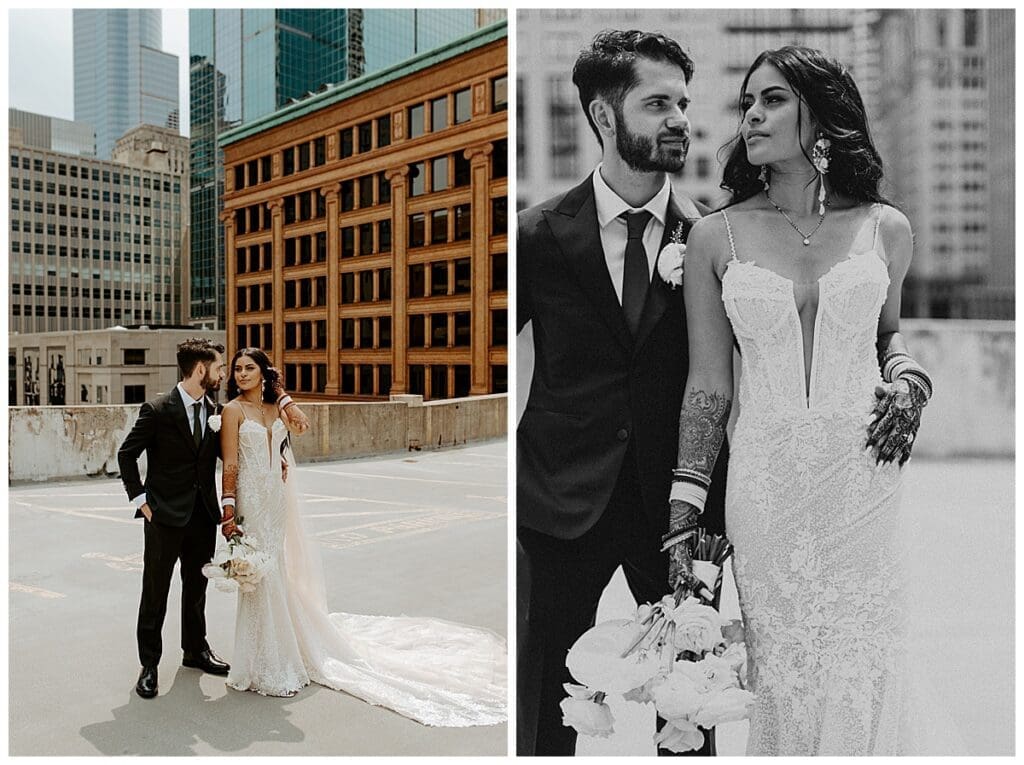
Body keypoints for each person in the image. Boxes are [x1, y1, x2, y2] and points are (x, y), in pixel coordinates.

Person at [665, 46, 940, 754]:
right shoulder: (714, 236)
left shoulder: (887, 227)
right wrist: (683, 514)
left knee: (863, 657)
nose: (752, 114)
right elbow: (708, 386)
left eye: (774, 99)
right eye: (748, 102)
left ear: (821, 115)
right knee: (779, 668)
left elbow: (888, 335)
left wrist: (911, 380)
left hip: (863, 479)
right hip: (764, 484)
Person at [516, 30, 727, 756]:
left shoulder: (711, 239)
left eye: (684, 103)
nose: (680, 119)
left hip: (676, 510)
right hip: (551, 504)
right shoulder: (536, 235)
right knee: (543, 709)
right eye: (658, 103)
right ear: (605, 117)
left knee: (689, 707)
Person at [216, 347, 507, 725]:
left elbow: (301, 428)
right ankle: (263, 661)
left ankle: (279, 654)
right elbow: (232, 462)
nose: (240, 374)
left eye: (249, 368)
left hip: (275, 500)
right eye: (237, 369)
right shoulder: (232, 411)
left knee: (275, 571)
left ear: (263, 372)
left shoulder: (274, 410)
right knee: (261, 576)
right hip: (251, 502)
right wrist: (227, 509)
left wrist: (283, 397)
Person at [117, 337, 309, 700]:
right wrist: (141, 499)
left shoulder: (217, 411)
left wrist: (275, 459)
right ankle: (150, 665)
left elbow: (236, 452)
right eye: (221, 367)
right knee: (155, 592)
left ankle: (195, 650)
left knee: (196, 589)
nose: (226, 374)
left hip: (202, 515)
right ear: (201, 369)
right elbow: (127, 455)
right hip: (163, 516)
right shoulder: (157, 409)